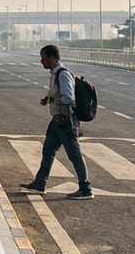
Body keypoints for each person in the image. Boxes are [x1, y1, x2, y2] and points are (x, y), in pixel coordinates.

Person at [20, 45, 93, 200]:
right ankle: (40, 183)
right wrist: (48, 98)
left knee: (75, 155)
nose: (42, 61)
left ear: (52, 58)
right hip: (56, 121)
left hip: (65, 122)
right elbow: (56, 91)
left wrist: (53, 99)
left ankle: (85, 188)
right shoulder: (55, 73)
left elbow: (69, 98)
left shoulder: (63, 74)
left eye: (44, 57)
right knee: (48, 151)